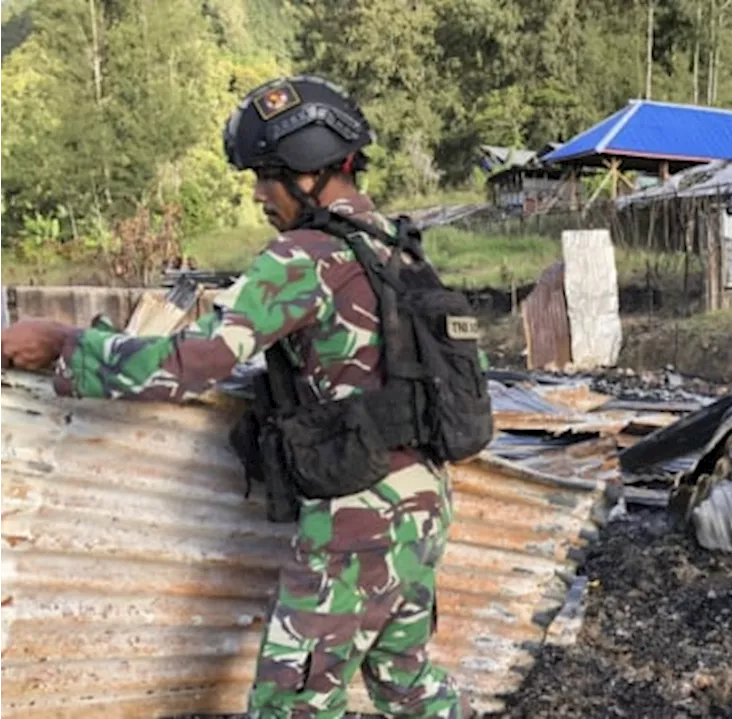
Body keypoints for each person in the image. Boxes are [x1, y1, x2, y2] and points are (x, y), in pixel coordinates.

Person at [0, 75, 472, 718]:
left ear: (304, 172)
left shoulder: (304, 257)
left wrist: (64, 345)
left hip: (358, 517)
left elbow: (200, 361)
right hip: (423, 503)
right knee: (408, 688)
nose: (257, 194)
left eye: (264, 174)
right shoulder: (398, 251)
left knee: (290, 703)